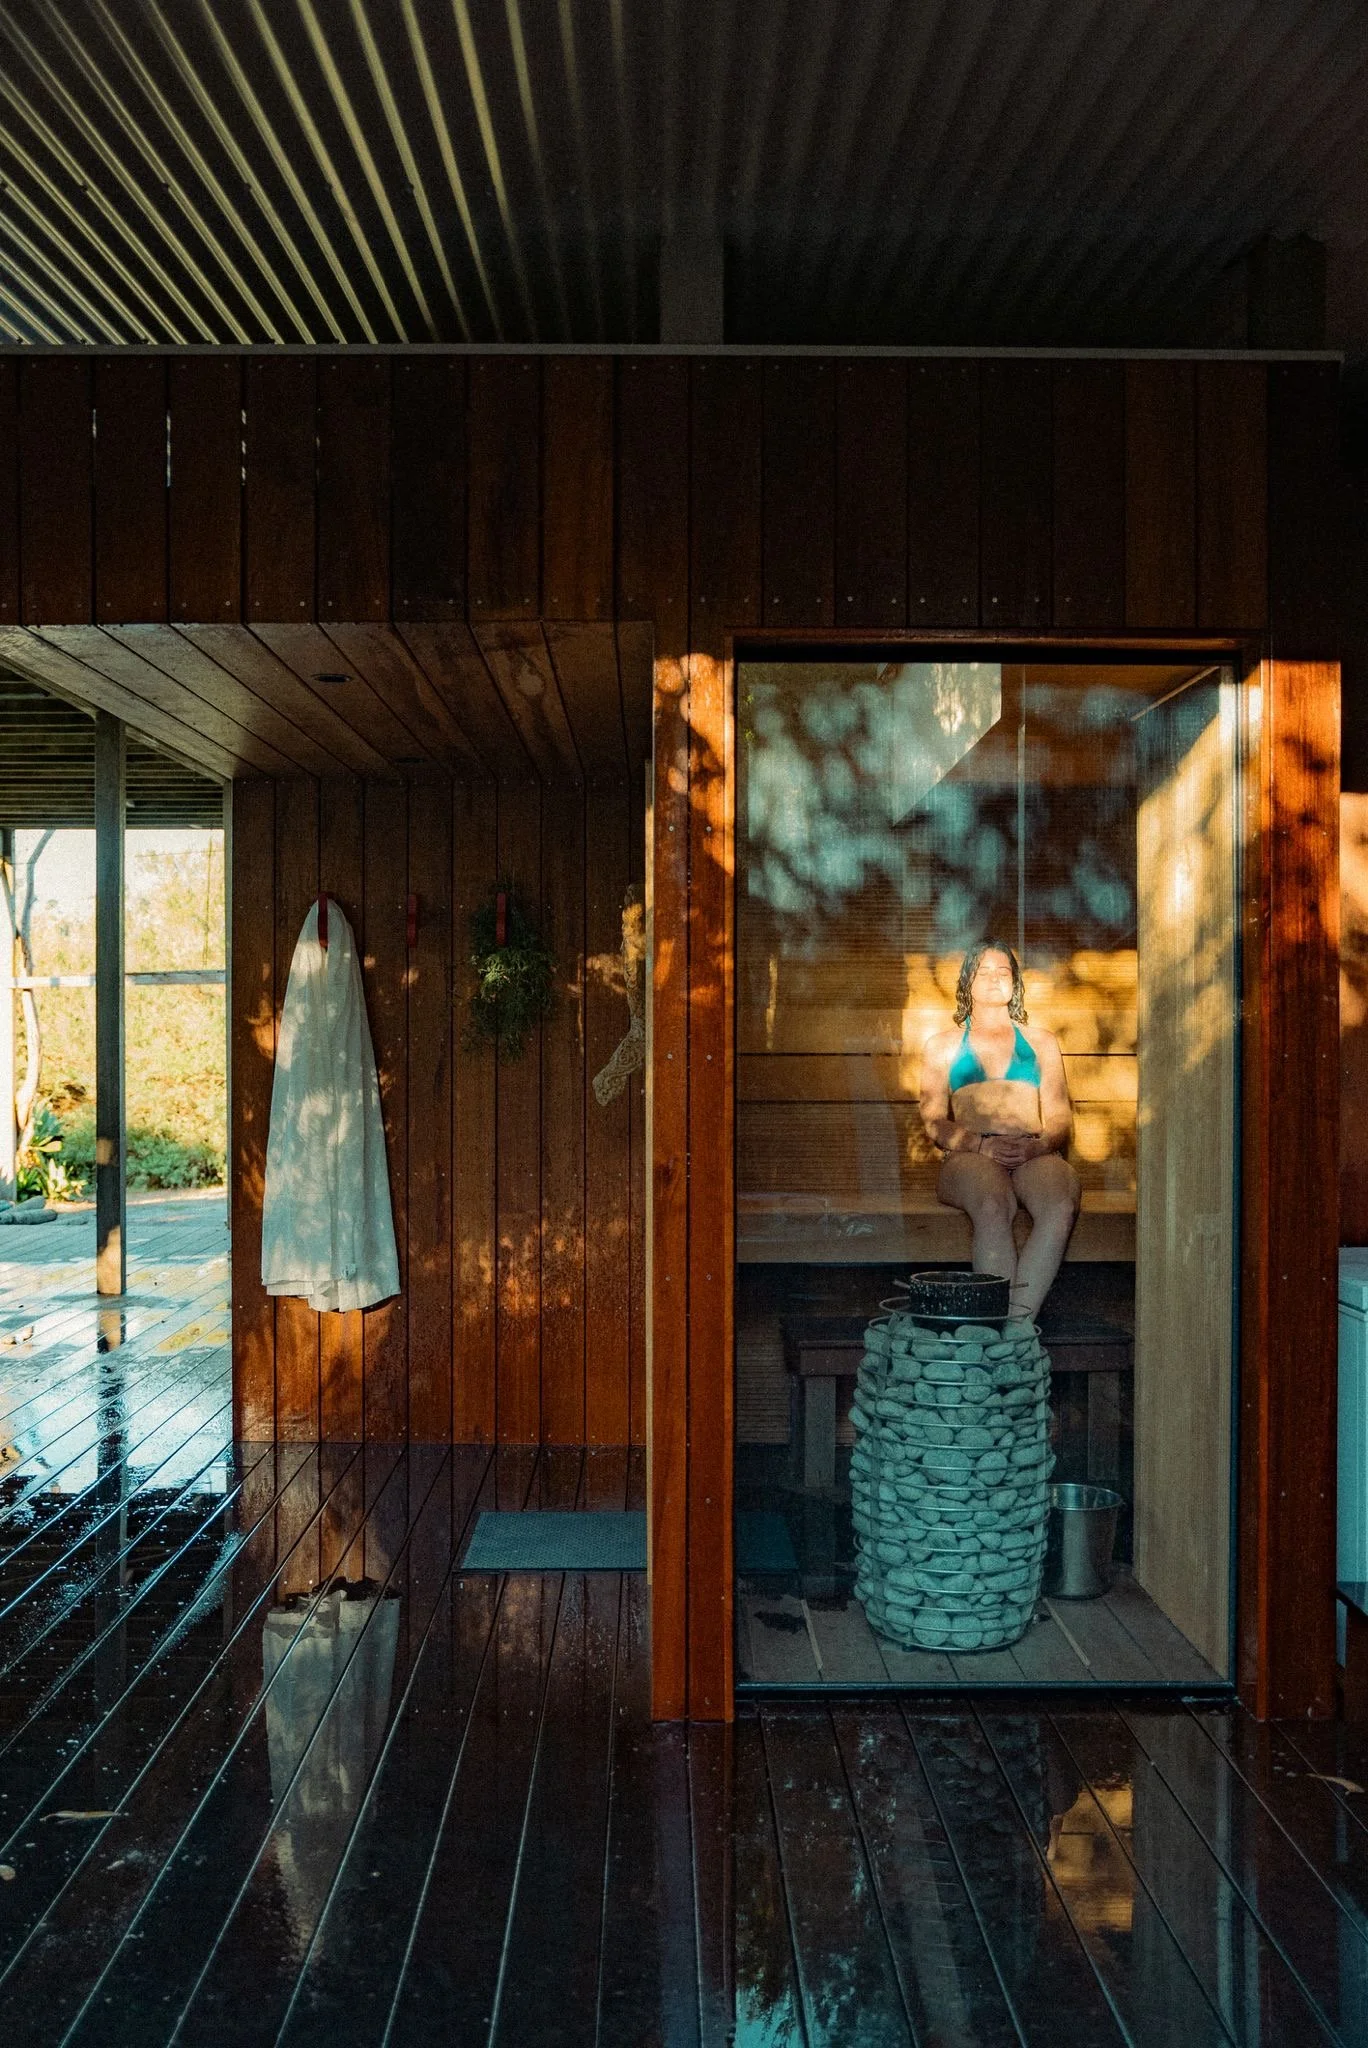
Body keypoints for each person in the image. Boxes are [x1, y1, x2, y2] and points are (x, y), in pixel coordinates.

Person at [919, 940, 1080, 1321]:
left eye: (1003, 971)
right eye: (983, 972)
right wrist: (979, 1145)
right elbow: (933, 1120)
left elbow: (1059, 1117)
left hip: (1031, 1151)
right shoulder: (942, 1045)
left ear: (1015, 982)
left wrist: (1038, 1147)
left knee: (1059, 1206)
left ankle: (1015, 1329)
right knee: (993, 1206)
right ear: (967, 981)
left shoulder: (1041, 1042)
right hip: (970, 1155)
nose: (994, 979)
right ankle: (997, 1327)